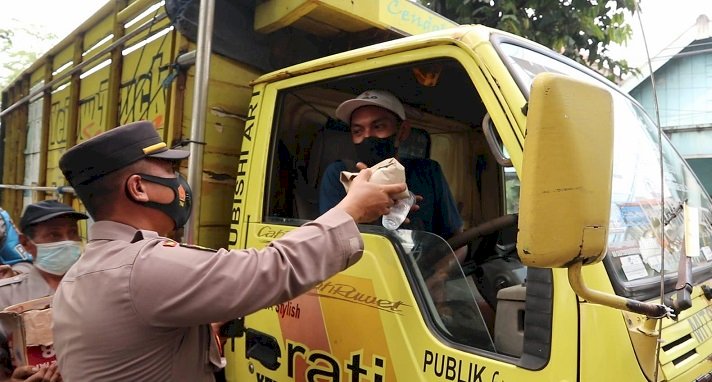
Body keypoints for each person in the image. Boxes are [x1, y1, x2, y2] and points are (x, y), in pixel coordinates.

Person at [51, 120, 405, 381]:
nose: (179, 182)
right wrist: (353, 208)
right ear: (139, 188)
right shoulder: (141, 266)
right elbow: (272, 267)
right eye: (170, 169)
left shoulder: (87, 270)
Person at [319, 89, 463, 240]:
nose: (367, 136)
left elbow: (455, 237)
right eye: (357, 131)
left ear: (402, 131)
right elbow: (328, 239)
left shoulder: (428, 171)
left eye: (378, 127)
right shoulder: (341, 174)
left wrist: (444, 264)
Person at [0, 201, 88, 309]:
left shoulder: (95, 288)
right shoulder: (6, 297)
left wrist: (17, 271)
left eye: (73, 233)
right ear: (25, 243)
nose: (67, 242)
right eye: (54, 235)